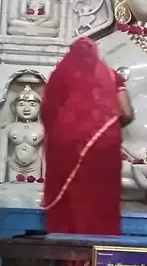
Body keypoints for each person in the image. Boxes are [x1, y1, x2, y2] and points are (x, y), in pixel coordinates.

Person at [43, 38, 132, 238]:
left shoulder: (59, 75)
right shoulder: (111, 76)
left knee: (70, 205)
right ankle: (96, 261)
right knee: (99, 203)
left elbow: (48, 112)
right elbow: (126, 112)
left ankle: (68, 263)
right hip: (103, 149)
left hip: (64, 150)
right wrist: (108, 127)